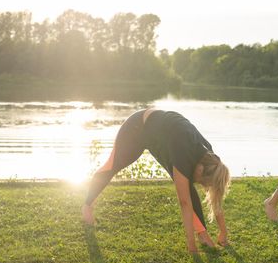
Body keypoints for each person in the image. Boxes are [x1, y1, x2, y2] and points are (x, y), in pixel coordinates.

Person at [82, 108, 231, 253]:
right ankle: (87, 206)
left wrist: (223, 232)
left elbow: (215, 193)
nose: (200, 185)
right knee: (112, 166)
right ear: (200, 169)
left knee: (187, 185)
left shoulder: (211, 159)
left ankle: (203, 235)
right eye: (202, 182)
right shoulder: (183, 152)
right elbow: (184, 202)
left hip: (164, 134)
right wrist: (191, 247)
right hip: (137, 127)